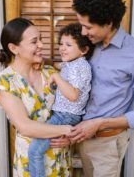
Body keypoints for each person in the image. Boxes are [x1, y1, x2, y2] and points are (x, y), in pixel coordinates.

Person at [69, 0, 134, 177]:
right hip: (82, 138)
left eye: (88, 27)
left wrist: (99, 124)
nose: (83, 33)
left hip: (107, 144)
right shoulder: (89, 46)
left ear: (108, 23)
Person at [0, 17, 73, 177]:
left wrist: (70, 139)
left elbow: (71, 108)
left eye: (41, 39)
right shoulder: (5, 81)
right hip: (31, 164)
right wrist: (68, 131)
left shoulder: (50, 72)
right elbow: (25, 126)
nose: (41, 45)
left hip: (60, 159)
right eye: (34, 41)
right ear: (14, 48)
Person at [28, 23, 94, 177]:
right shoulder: (71, 63)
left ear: (84, 50)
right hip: (63, 115)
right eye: (61, 44)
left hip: (66, 115)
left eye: (68, 45)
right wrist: (40, 61)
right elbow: (56, 64)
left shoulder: (81, 67)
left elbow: (73, 96)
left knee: (34, 151)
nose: (62, 48)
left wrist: (56, 77)